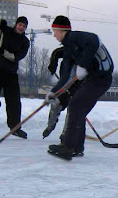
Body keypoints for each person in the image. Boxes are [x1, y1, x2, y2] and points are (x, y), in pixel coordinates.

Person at [45, 15, 114, 161]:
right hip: (92, 79)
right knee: (76, 108)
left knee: (76, 104)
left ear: (61, 30)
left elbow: (94, 40)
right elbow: (65, 77)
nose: (54, 34)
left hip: (101, 78)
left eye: (54, 31)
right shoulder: (69, 49)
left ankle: (68, 147)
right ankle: (76, 147)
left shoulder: (75, 37)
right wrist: (54, 92)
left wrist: (82, 64)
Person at [0, 16, 30, 139]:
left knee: (14, 101)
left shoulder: (25, 41)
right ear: (16, 24)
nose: (22, 27)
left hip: (11, 73)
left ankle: (15, 127)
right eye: (20, 24)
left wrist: (5, 53)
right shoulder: (4, 31)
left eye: (24, 26)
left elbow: (17, 57)